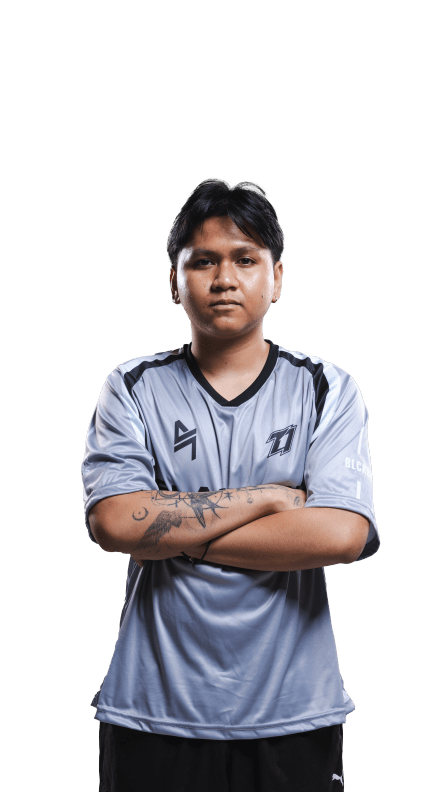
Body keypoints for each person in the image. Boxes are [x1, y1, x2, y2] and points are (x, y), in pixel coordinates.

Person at [82, 178, 379, 792]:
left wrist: (170, 533)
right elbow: (113, 523)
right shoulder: (132, 387)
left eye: (246, 259)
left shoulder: (326, 389)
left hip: (293, 713)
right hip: (154, 711)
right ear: (174, 281)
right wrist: (267, 499)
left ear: (276, 277)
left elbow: (342, 535)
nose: (224, 279)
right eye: (203, 261)